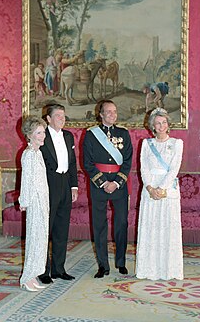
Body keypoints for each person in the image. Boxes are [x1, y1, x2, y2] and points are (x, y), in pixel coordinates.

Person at [83, 100, 133, 278]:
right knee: (99, 225)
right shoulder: (91, 135)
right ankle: (103, 265)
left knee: (121, 224)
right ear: (101, 114)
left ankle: (121, 262)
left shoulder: (124, 134)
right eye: (108, 112)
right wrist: (104, 183)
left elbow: (127, 162)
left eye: (114, 111)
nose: (112, 115)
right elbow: (87, 163)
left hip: (119, 184)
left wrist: (117, 182)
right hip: (99, 185)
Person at [136, 107, 184, 280]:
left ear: (168, 124)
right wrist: (150, 188)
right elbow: (144, 168)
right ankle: (149, 269)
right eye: (158, 123)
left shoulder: (177, 143)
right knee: (151, 227)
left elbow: (174, 169)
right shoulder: (146, 144)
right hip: (150, 191)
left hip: (168, 190)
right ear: (152, 126)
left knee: (167, 229)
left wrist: (162, 188)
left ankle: (169, 270)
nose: (161, 125)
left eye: (164, 122)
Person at [39, 103, 78, 284]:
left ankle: (58, 269)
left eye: (63, 116)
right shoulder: (41, 137)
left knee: (62, 229)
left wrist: (74, 187)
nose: (61, 119)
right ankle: (43, 270)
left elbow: (72, 163)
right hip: (48, 184)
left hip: (65, 184)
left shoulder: (69, 136)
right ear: (48, 119)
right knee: (45, 230)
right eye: (57, 116)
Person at [19, 116, 49, 292]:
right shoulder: (29, 154)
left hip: (43, 200)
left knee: (41, 238)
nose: (42, 135)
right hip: (35, 202)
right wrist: (25, 201)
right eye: (38, 133)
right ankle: (27, 276)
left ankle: (34, 273)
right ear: (29, 135)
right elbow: (27, 181)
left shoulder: (38, 153)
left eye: (43, 132)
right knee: (34, 238)